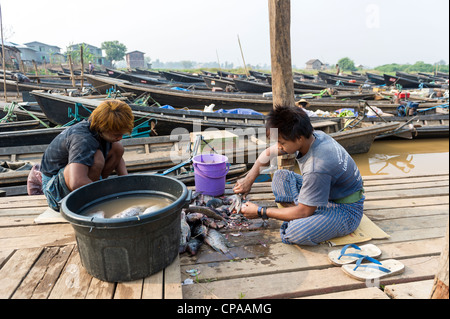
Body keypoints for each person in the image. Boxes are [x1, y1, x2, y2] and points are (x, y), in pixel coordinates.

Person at [233, 105, 365, 246]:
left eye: (281, 143)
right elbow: (268, 153)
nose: (278, 146)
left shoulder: (317, 166)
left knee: (295, 232)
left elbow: (304, 211)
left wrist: (260, 211)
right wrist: (248, 180)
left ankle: (304, 214)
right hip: (327, 191)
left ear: (299, 138)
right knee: (280, 176)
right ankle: (302, 210)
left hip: (346, 210)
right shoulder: (314, 136)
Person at [40, 100, 134, 211]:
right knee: (97, 158)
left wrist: (129, 185)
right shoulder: (83, 140)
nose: (120, 137)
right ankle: (92, 200)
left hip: (73, 176)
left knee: (117, 147)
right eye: (117, 135)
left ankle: (94, 189)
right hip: (54, 192)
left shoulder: (97, 129)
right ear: (103, 128)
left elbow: (118, 156)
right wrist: (110, 196)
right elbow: (76, 182)